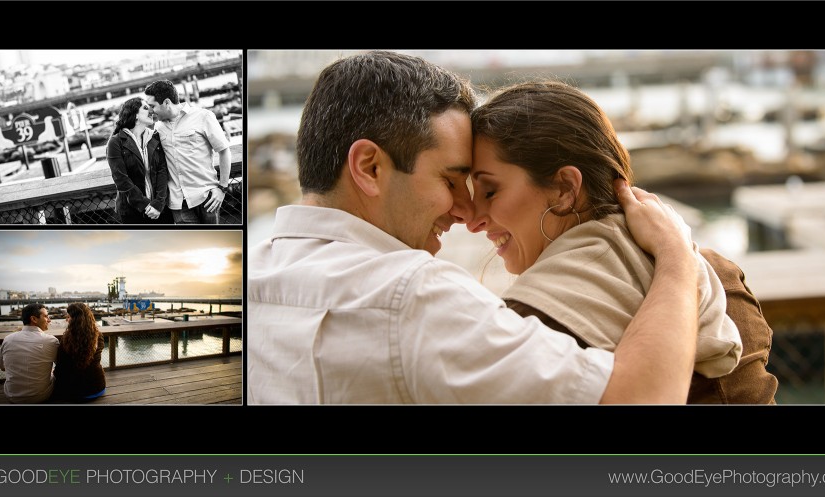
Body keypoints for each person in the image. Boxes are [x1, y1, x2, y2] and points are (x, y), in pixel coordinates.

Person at [247, 50, 700, 404]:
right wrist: (677, 258)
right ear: (369, 167)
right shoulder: (412, 298)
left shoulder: (252, 279)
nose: (464, 213)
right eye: (450, 180)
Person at [467, 80, 778, 404]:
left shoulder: (530, 324)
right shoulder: (717, 274)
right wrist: (674, 252)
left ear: (564, 188)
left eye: (490, 192)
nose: (473, 221)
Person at [145, 79, 232, 224]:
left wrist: (222, 188)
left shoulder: (203, 116)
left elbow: (224, 151)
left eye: (152, 106)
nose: (150, 110)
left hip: (206, 197)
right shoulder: (158, 128)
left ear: (166, 103)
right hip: (178, 203)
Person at [107, 97, 172, 224]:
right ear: (135, 115)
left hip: (160, 209)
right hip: (132, 212)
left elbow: (162, 171)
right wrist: (146, 205)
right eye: (146, 108)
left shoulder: (155, 137)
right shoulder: (116, 142)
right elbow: (121, 179)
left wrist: (158, 203)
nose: (151, 111)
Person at [0, 303, 59, 403]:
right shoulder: (51, 341)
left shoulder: (8, 339)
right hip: (41, 396)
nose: (49, 320)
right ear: (34, 319)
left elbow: (3, 368)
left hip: (12, 396)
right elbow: (61, 367)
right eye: (46, 316)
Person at [52, 303, 106, 402]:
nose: (66, 319)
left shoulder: (67, 339)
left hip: (74, 392)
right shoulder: (99, 336)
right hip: (98, 387)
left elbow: (61, 366)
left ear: (76, 320)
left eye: (68, 317)